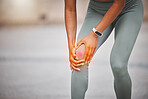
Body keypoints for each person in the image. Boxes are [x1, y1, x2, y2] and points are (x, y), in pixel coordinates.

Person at [64, 0, 144, 99]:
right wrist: (71, 46)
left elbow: (119, 4)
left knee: (118, 65)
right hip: (97, 11)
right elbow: (70, 9)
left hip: (128, 9)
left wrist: (93, 35)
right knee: (79, 56)